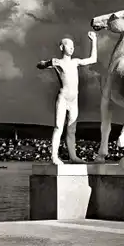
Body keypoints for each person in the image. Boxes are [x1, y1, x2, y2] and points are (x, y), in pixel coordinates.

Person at [37, 31, 98, 165]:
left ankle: (73, 156)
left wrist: (94, 41)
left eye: (73, 46)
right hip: (63, 97)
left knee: (72, 129)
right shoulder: (58, 62)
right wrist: (48, 63)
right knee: (59, 127)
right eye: (68, 45)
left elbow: (93, 59)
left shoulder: (75, 62)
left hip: (74, 99)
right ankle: (54, 156)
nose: (72, 48)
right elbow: (39, 65)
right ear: (61, 47)